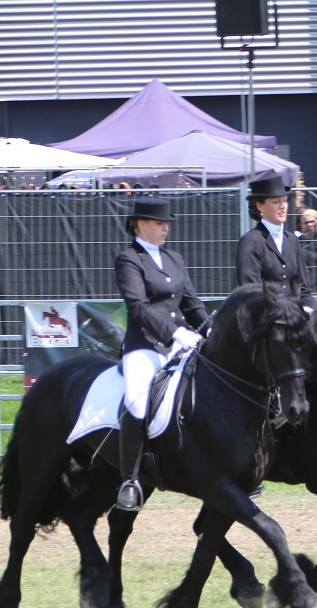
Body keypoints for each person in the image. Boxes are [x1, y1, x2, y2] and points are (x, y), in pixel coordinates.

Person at [114, 198, 209, 511]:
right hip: (146, 345)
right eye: (159, 223)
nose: (165, 228)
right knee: (137, 399)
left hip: (183, 342)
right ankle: (130, 478)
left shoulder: (173, 257)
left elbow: (191, 304)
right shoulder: (129, 259)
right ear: (140, 224)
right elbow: (138, 308)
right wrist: (175, 333)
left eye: (166, 223)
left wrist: (210, 330)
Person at [236, 177, 315, 311]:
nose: (283, 206)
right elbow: (250, 292)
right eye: (275, 202)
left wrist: (310, 310)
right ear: (260, 206)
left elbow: (304, 289)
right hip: (265, 318)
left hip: (294, 316)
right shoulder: (250, 241)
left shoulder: (292, 240)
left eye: (284, 201)